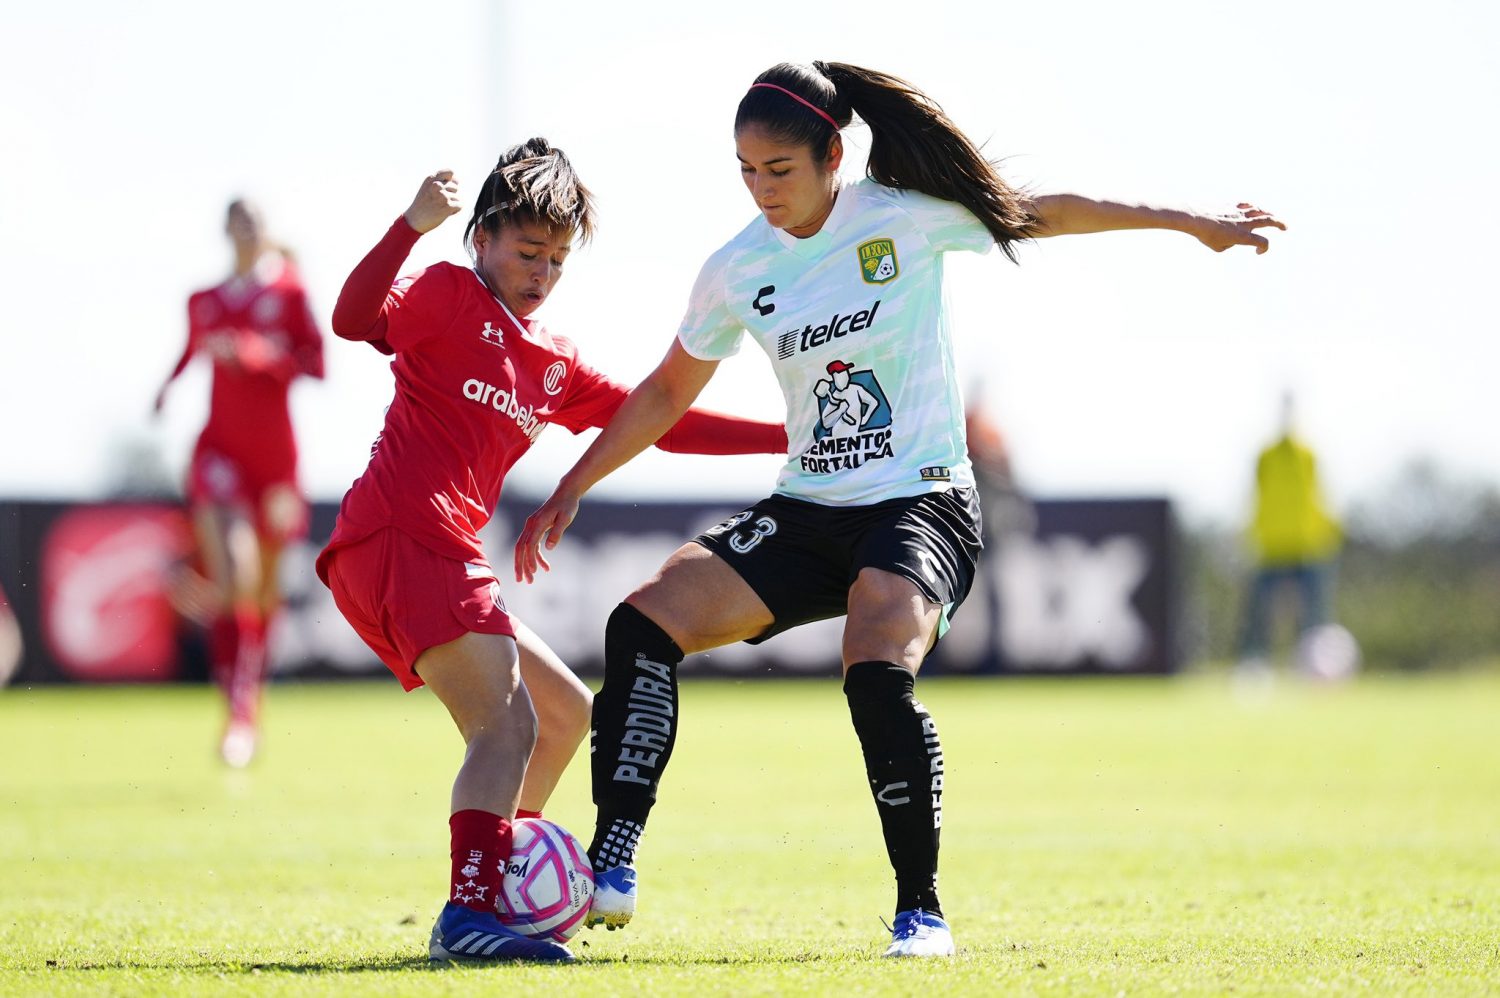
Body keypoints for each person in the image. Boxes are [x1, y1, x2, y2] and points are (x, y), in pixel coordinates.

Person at [514, 61, 1285, 959]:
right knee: (642, 624)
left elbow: (1046, 210)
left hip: (924, 499)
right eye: (746, 171)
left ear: (833, 154)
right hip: (808, 509)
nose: (763, 190)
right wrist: (573, 483)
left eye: (781, 170)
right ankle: (613, 855)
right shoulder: (736, 269)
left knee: (873, 658)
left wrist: (1189, 223)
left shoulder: (903, 216)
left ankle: (921, 911)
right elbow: (662, 393)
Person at [317, 140, 788, 965]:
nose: (542, 271)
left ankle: (490, 889)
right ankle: (470, 916)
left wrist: (791, 433)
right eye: (528, 251)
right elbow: (353, 321)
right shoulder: (446, 291)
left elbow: (660, 422)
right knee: (506, 728)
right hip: (400, 535)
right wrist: (407, 227)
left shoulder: (551, 361)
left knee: (566, 711)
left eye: (559, 259)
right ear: (483, 240)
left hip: (431, 551)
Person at [153, 199, 325, 767]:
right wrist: (166, 388)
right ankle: (238, 712)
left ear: (268, 230)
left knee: (263, 593)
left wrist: (255, 357)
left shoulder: (291, 294)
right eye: (239, 220)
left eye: (256, 219)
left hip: (275, 465)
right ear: (227, 230)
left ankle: (248, 693)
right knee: (237, 573)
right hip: (219, 454)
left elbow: (315, 364)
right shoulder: (204, 301)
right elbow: (188, 351)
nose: (248, 229)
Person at [1237, 392, 1344, 676]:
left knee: (1314, 619)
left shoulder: (1308, 454)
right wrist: (1249, 535)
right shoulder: (1265, 456)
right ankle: (1255, 667)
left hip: (1307, 546)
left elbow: (1319, 495)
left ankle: (1316, 671)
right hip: (1271, 545)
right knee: (1259, 617)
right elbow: (1255, 496)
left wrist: (1327, 534)